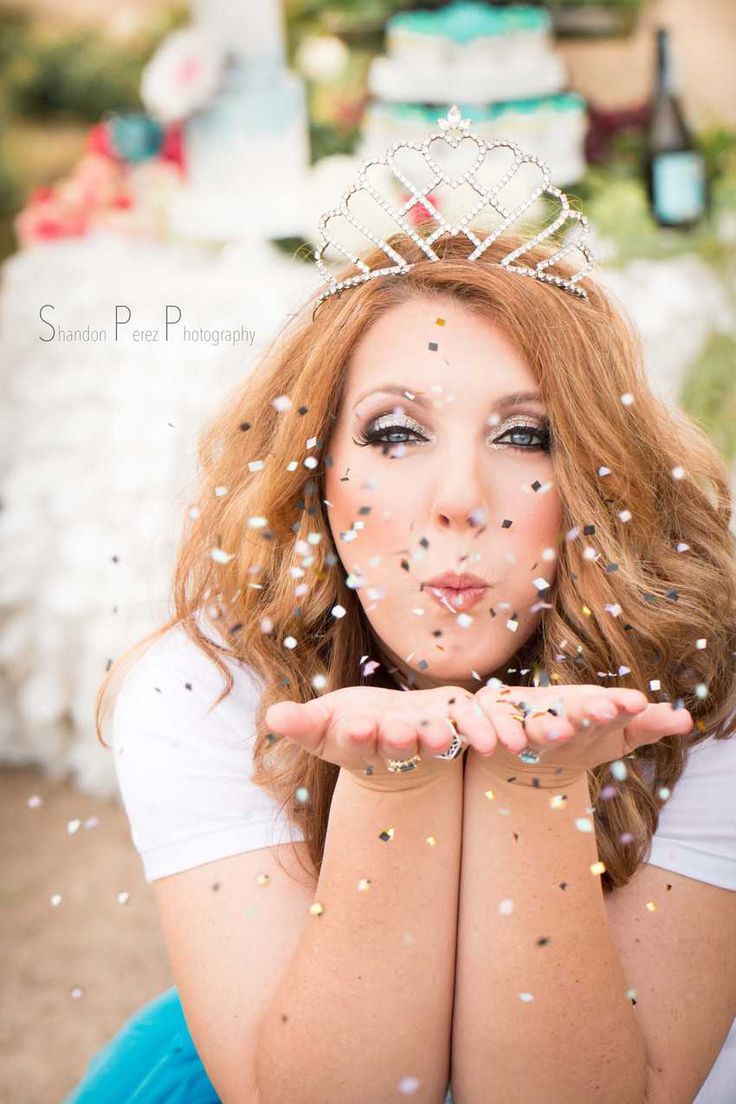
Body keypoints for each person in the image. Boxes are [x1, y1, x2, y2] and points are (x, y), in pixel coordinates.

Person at [64, 109, 736, 1103]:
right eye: (392, 433)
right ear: (315, 473)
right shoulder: (200, 685)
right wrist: (393, 792)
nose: (460, 497)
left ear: (595, 479)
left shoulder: (699, 674)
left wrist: (533, 783)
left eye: (524, 437)